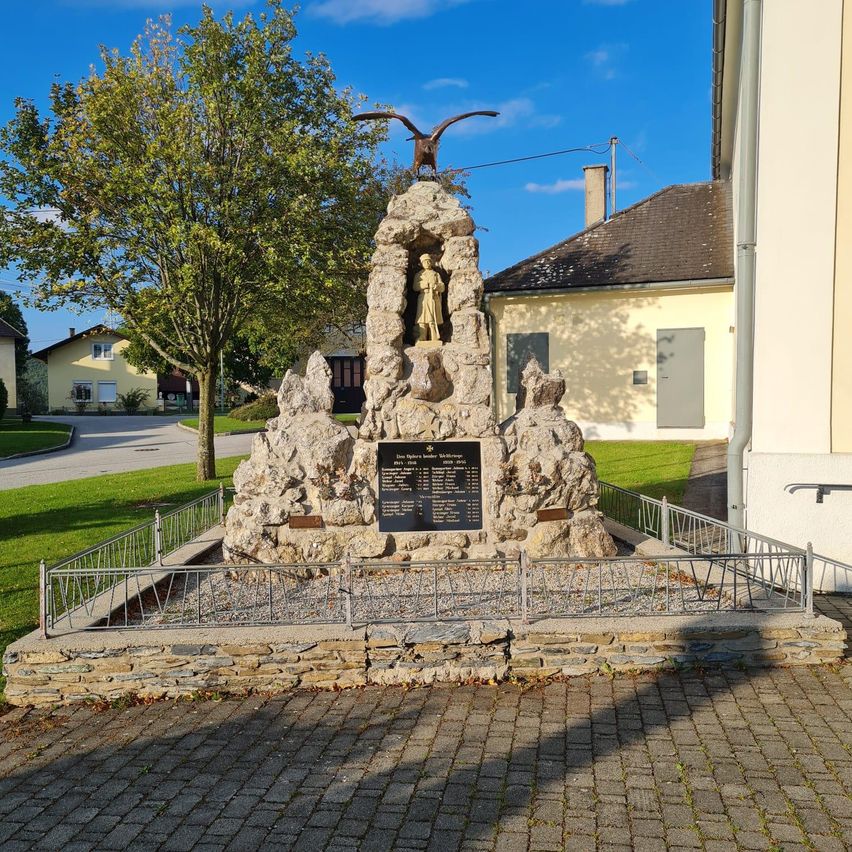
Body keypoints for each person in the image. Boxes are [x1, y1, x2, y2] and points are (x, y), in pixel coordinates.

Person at [412, 253, 445, 343]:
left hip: (434, 297)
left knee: (432, 318)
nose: (427, 263)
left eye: (428, 261)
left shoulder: (436, 274)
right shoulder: (419, 275)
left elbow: (442, 287)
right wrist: (425, 284)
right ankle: (422, 335)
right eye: (424, 262)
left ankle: (433, 336)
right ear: (421, 263)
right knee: (422, 317)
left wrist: (436, 286)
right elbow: (415, 286)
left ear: (431, 262)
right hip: (424, 297)